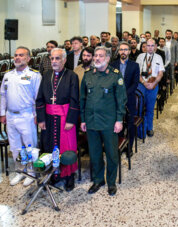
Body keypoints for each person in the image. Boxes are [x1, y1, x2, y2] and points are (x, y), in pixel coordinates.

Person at [80, 46, 127, 196]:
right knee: (94, 153)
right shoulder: (88, 75)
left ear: (107, 58)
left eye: (100, 56)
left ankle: (111, 182)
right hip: (92, 121)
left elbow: (121, 100)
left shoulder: (115, 75)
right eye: (95, 56)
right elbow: (83, 99)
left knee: (112, 154)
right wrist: (83, 119)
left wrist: (119, 120)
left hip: (109, 122)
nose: (97, 58)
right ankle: (98, 179)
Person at [36, 48, 79, 192]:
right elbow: (40, 98)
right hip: (48, 118)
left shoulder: (71, 76)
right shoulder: (46, 75)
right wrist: (41, 119)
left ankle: (69, 176)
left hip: (65, 118)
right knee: (49, 146)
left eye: (57, 58)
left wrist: (71, 120)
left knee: (67, 147)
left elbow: (74, 99)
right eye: (52, 58)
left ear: (64, 60)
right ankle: (53, 175)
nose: (54, 61)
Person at [0, 47, 42, 186]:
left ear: (28, 58)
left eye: (21, 55)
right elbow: (3, 96)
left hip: (27, 116)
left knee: (30, 146)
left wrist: (37, 115)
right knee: (15, 147)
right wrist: (2, 113)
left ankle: (31, 172)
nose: (17, 58)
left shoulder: (34, 75)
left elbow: (38, 97)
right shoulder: (8, 75)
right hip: (10, 116)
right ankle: (20, 171)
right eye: (16, 55)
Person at [111, 42, 139, 155]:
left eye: (125, 49)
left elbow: (135, 83)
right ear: (118, 52)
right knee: (117, 123)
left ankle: (129, 147)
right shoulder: (112, 65)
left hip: (129, 99)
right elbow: (110, 82)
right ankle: (120, 144)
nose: (123, 52)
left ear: (128, 51)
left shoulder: (134, 65)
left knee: (130, 124)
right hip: (114, 100)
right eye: (121, 49)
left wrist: (124, 95)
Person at [136, 39, 165, 138]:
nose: (150, 48)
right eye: (148, 45)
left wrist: (154, 83)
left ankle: (149, 128)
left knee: (150, 108)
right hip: (141, 84)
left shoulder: (159, 57)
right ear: (145, 46)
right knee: (139, 107)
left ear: (155, 46)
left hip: (153, 84)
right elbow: (137, 73)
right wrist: (144, 82)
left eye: (152, 46)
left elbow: (160, 73)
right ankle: (139, 128)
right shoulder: (140, 57)